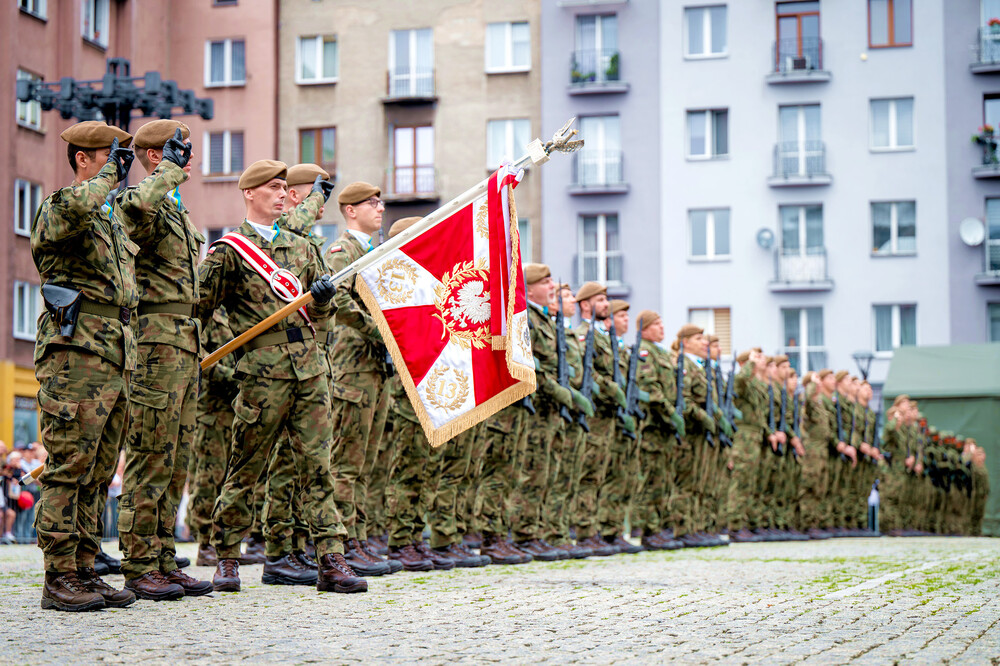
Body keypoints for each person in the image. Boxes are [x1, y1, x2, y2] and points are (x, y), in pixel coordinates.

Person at [196, 160, 364, 594]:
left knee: (317, 467)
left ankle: (331, 557)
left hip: (309, 371)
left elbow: (322, 317)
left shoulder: (302, 248)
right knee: (246, 467)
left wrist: (322, 301)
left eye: (284, 188)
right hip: (261, 374)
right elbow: (199, 311)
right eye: (272, 187)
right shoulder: (229, 252)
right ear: (249, 193)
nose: (281, 194)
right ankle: (227, 556)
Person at [31, 120, 138, 611]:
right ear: (82, 158)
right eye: (110, 157)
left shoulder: (109, 220)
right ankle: (58, 576)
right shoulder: (61, 206)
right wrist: (107, 176)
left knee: (98, 470)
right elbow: (78, 206)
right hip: (74, 354)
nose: (119, 167)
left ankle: (84, 567)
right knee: (69, 465)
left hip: (113, 353)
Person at [115, 120, 211, 600]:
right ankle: (138, 562)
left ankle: (163, 557)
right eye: (179, 149)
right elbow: (129, 212)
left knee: (176, 459)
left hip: (184, 341)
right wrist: (166, 172)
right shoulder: (145, 200)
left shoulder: (175, 208)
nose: (188, 157)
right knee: (150, 454)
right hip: (155, 342)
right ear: (155, 155)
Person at [323, 182, 395, 577]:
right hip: (354, 366)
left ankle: (360, 539)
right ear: (350, 210)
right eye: (372, 203)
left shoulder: (376, 252)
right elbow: (338, 300)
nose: (380, 208)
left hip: (376, 366)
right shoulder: (342, 251)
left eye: (380, 202)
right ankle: (344, 542)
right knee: (347, 463)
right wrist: (381, 330)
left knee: (367, 462)